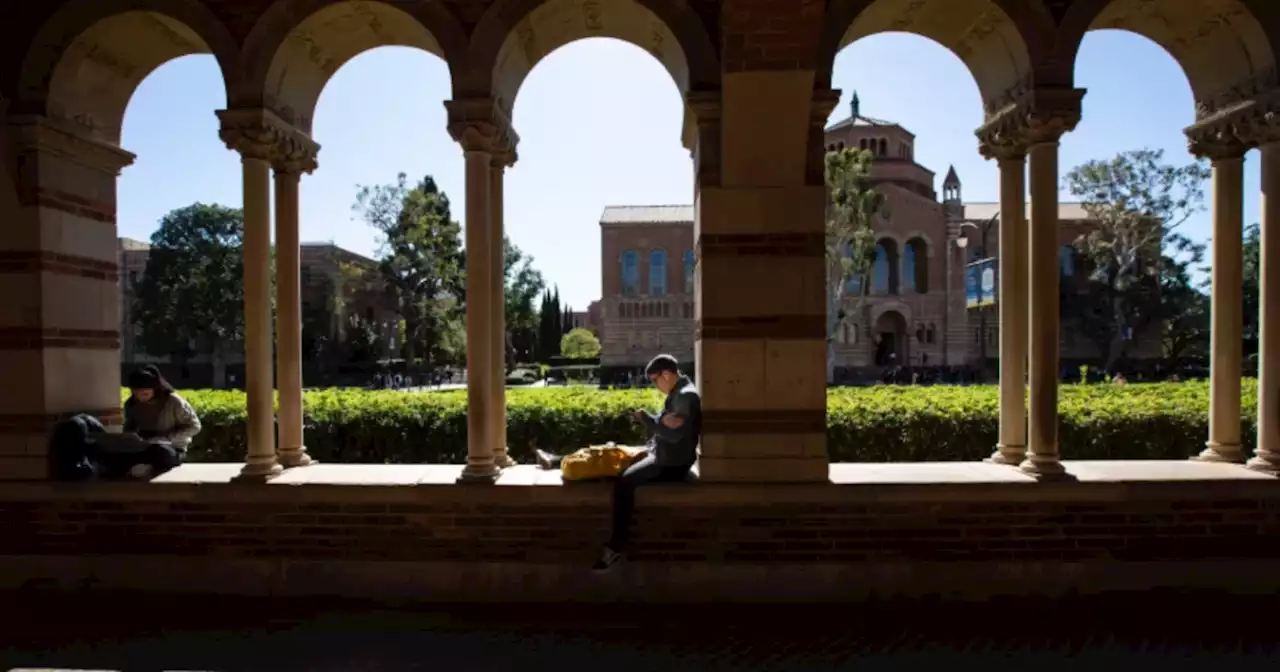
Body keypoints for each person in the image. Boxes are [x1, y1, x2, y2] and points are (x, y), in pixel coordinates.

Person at [537, 354, 701, 572]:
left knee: (624, 482)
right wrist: (658, 421)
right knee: (614, 454)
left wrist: (648, 419)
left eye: (655, 380)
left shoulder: (685, 397)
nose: (655, 385)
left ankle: (616, 546)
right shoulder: (680, 391)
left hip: (669, 463)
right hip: (662, 453)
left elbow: (674, 436)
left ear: (667, 374)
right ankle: (557, 461)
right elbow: (667, 429)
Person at [116, 365, 202, 478]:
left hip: (172, 448)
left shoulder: (173, 402)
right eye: (136, 394)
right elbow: (129, 428)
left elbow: (195, 426)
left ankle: (147, 467)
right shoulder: (131, 404)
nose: (141, 398)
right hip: (144, 446)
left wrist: (168, 438)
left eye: (145, 394)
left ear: (155, 390)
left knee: (161, 452)